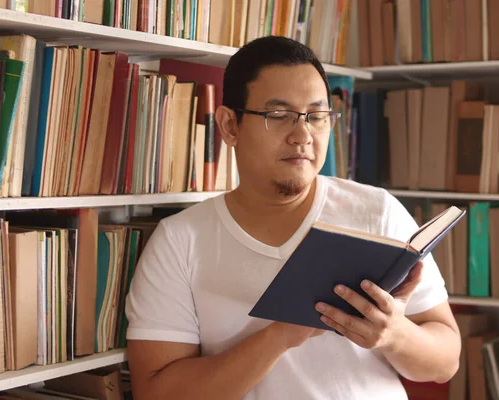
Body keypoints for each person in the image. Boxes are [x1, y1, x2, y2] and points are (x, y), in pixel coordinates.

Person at [124, 36, 461, 400]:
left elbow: (445, 364)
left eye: (316, 117)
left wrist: (394, 335)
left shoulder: (376, 211)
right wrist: (280, 335)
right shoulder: (180, 241)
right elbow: (155, 392)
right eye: (278, 116)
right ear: (229, 125)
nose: (302, 136)